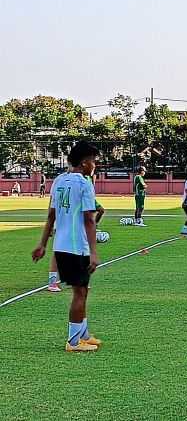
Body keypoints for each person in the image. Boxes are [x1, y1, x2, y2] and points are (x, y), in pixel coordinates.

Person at [32, 141, 103, 352]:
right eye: (93, 161)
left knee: (83, 290)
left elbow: (51, 215)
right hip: (76, 246)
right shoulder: (84, 184)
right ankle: (73, 342)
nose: (95, 166)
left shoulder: (59, 181)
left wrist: (43, 244)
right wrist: (93, 252)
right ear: (84, 163)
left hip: (61, 245)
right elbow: (89, 220)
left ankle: (84, 334)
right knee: (79, 293)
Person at [48, 173, 105, 292]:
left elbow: (52, 202)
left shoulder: (62, 179)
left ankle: (71, 280)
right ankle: (53, 282)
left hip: (64, 220)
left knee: (68, 250)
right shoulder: (79, 181)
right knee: (63, 251)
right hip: (68, 221)